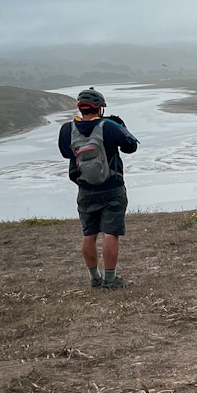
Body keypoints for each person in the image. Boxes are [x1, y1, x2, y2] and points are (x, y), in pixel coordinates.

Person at [58, 87, 139, 290]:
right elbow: (131, 147)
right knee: (111, 233)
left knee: (89, 234)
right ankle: (110, 280)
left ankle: (94, 278)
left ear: (80, 108)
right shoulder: (109, 126)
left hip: (85, 188)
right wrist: (121, 126)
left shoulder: (67, 129)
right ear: (100, 108)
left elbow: (66, 153)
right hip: (112, 187)